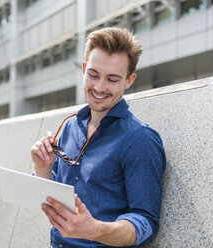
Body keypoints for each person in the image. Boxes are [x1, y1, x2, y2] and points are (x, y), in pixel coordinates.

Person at [31, 27, 166, 247]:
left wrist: (95, 230)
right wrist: (43, 167)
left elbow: (146, 222)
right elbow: (52, 198)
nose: (99, 87)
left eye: (112, 79)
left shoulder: (140, 139)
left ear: (129, 81)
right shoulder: (69, 126)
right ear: (84, 70)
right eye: (93, 75)